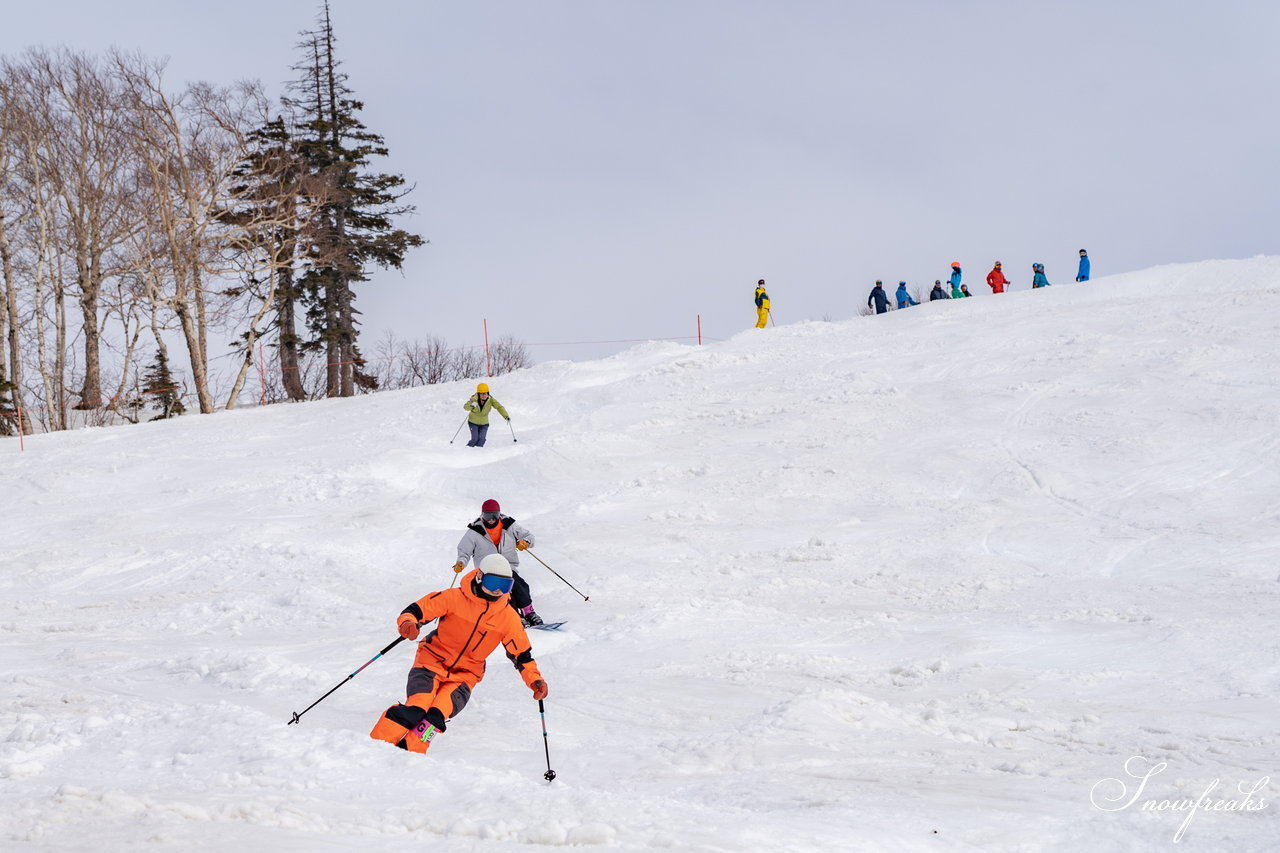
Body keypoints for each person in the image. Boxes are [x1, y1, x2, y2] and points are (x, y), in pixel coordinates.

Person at [369, 554, 548, 754]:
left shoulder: (508, 618)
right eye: (492, 583)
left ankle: (409, 755)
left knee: (434, 718)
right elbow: (417, 610)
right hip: (430, 662)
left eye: (505, 586)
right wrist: (408, 623)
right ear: (480, 577)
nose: (497, 590)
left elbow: (522, 655)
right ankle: (376, 748)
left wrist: (535, 680)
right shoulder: (454, 597)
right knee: (417, 708)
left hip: (465, 676)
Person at [454, 499, 542, 626]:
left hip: (507, 567)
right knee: (502, 592)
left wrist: (525, 542)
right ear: (482, 515)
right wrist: (461, 563)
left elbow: (529, 537)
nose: (491, 519)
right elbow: (464, 551)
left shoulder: (509, 525)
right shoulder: (474, 531)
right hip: (487, 570)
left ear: (499, 514)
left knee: (519, 585)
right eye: (487, 515)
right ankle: (514, 616)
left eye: (494, 515)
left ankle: (529, 613)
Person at [464, 382, 509, 447]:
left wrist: (506, 416)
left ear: (488, 393)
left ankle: (478, 453)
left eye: (485, 393)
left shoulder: (491, 400)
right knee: (474, 439)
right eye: (481, 394)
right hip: (473, 423)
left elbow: (499, 407)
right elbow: (465, 407)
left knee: (482, 439)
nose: (483, 395)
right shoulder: (474, 400)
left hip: (484, 424)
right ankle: (467, 450)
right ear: (478, 394)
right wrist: (472, 404)